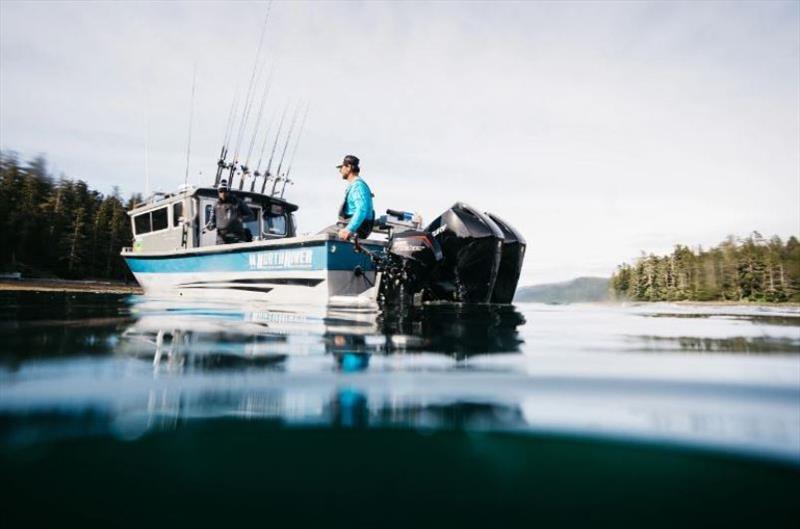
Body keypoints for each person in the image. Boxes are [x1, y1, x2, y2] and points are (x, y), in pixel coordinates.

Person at [335, 154, 374, 240]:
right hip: (353, 224)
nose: (340, 171)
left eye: (342, 167)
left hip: (358, 227)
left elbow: (361, 209)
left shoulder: (357, 186)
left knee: (320, 237)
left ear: (348, 167)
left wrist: (349, 229)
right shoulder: (355, 185)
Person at [204, 179, 254, 244]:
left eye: (225, 191)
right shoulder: (215, 205)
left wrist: (240, 219)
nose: (223, 193)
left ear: (229, 191)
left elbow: (251, 215)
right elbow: (212, 222)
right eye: (221, 191)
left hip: (237, 237)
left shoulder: (238, 202)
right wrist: (210, 226)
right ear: (218, 192)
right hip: (221, 239)